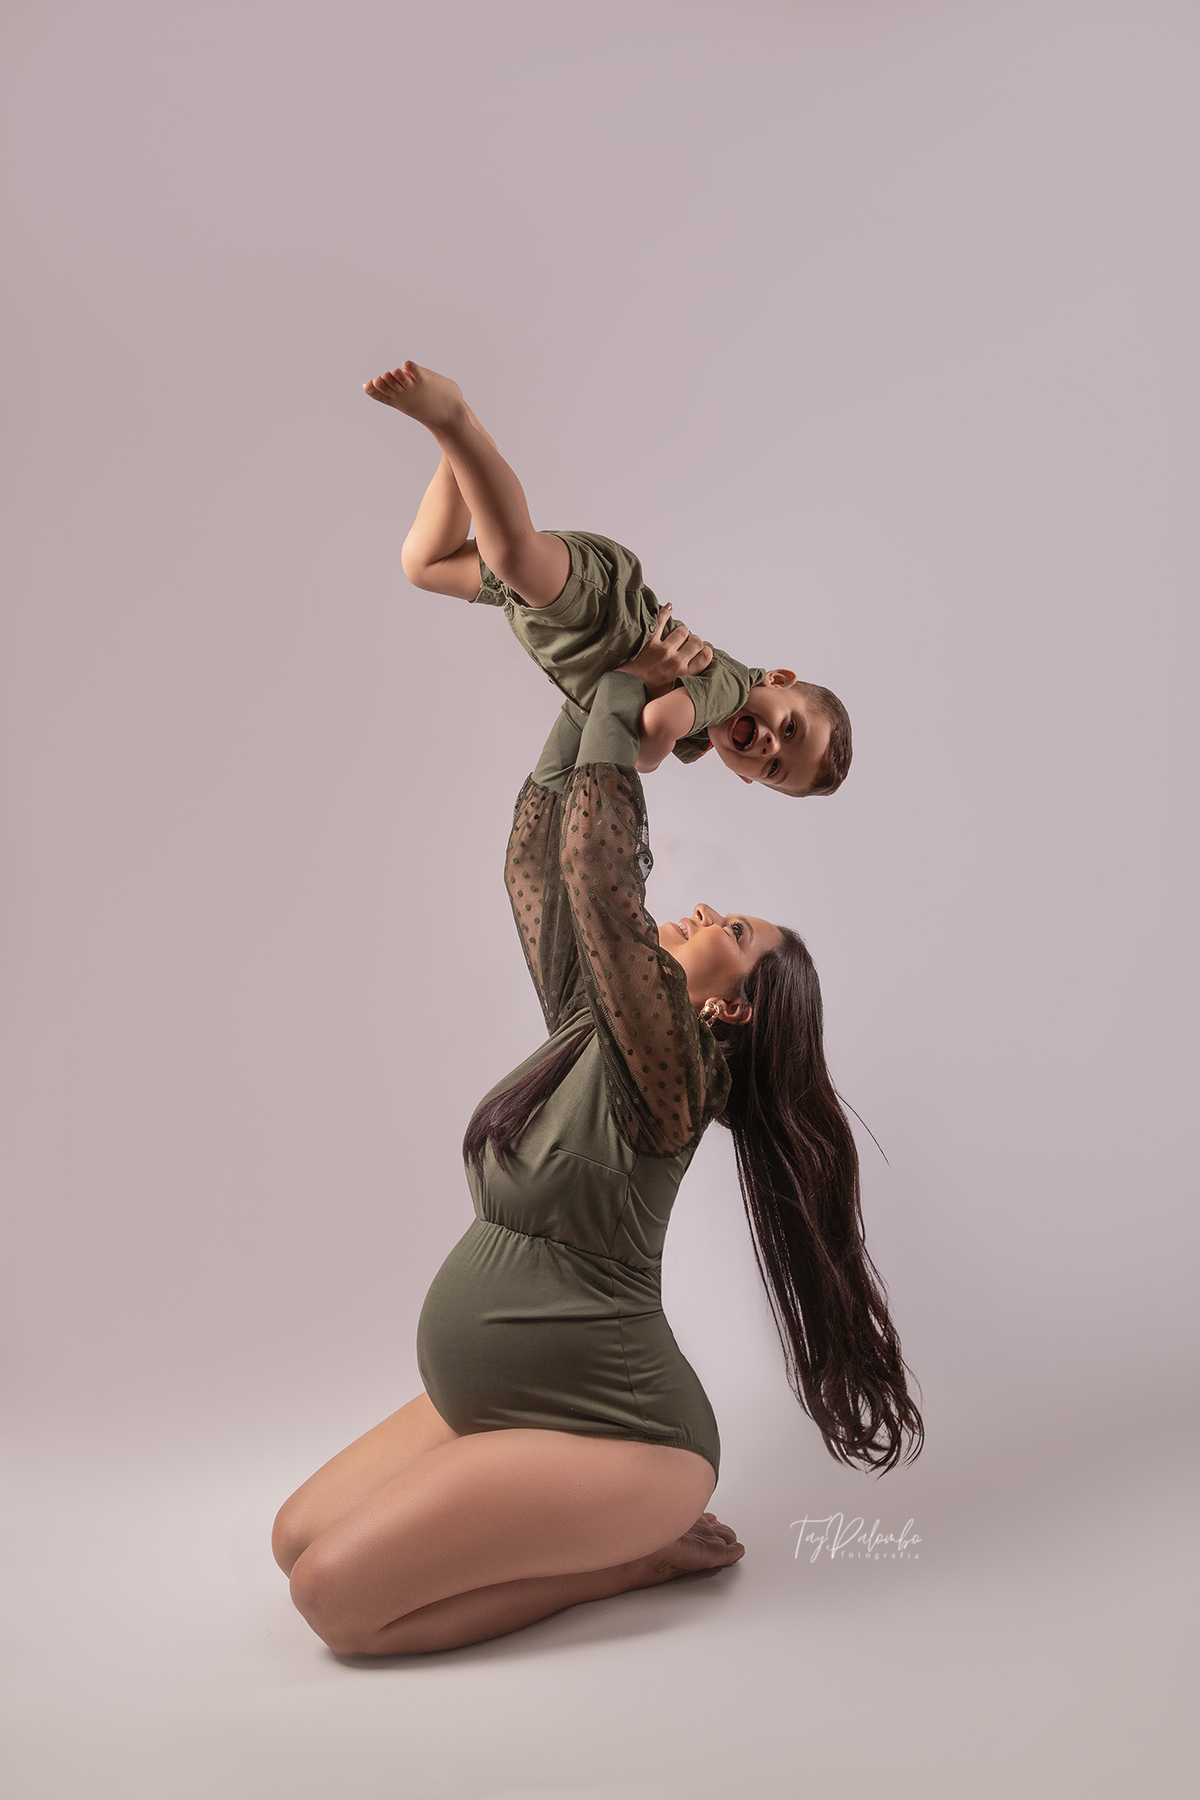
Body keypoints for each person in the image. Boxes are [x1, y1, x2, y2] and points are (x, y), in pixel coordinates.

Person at [271, 648, 922, 1657]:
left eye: (732, 929)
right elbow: (537, 866)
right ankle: (582, 1526)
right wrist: (598, 684)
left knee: (335, 1604)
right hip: (512, 1402)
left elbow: (598, 869)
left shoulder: (674, 1078)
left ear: (728, 1011)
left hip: (633, 1441)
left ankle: (628, 1561)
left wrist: (630, 702)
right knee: (293, 1540)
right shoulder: (595, 1025)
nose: (702, 912)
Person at [365, 361, 852, 797]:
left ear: (747, 778)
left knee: (425, 564)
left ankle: (469, 452)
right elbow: (656, 723)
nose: (769, 745)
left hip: (561, 627)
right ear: (778, 680)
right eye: (790, 729)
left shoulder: (700, 734)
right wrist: (648, 759)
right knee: (510, 553)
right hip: (597, 609)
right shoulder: (727, 690)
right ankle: (450, 419)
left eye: (773, 767)